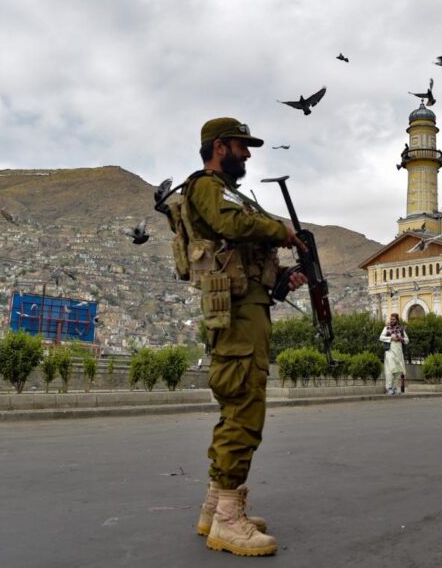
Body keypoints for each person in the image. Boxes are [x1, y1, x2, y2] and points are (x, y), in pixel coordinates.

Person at [187, 117, 307, 557]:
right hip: (236, 316)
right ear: (220, 147)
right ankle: (226, 522)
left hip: (248, 308)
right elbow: (233, 226)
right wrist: (284, 230)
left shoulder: (231, 195)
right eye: (242, 146)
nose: (249, 154)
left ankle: (215, 507)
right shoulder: (206, 187)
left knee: (238, 406)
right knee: (244, 406)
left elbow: (245, 255)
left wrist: (282, 278)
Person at [380, 313, 409, 395]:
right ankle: (388, 387)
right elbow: (381, 337)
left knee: (398, 371)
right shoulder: (386, 328)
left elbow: (407, 340)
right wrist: (391, 338)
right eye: (391, 319)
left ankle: (394, 387)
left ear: (397, 320)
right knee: (390, 370)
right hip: (389, 352)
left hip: (399, 353)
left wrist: (401, 338)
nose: (391, 321)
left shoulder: (401, 329)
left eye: (393, 319)